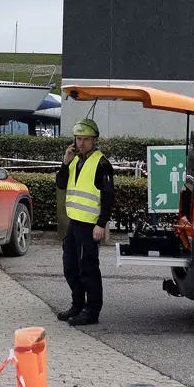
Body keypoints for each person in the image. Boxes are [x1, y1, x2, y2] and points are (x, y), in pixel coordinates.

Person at [55, 117, 115, 326]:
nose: (81, 143)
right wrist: (65, 162)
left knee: (88, 268)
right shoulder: (75, 160)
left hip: (89, 225)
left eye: (86, 139)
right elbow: (61, 184)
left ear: (95, 140)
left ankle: (92, 311)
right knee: (70, 266)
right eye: (78, 139)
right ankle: (77, 305)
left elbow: (108, 196)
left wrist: (101, 223)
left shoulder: (102, 163)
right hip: (74, 223)